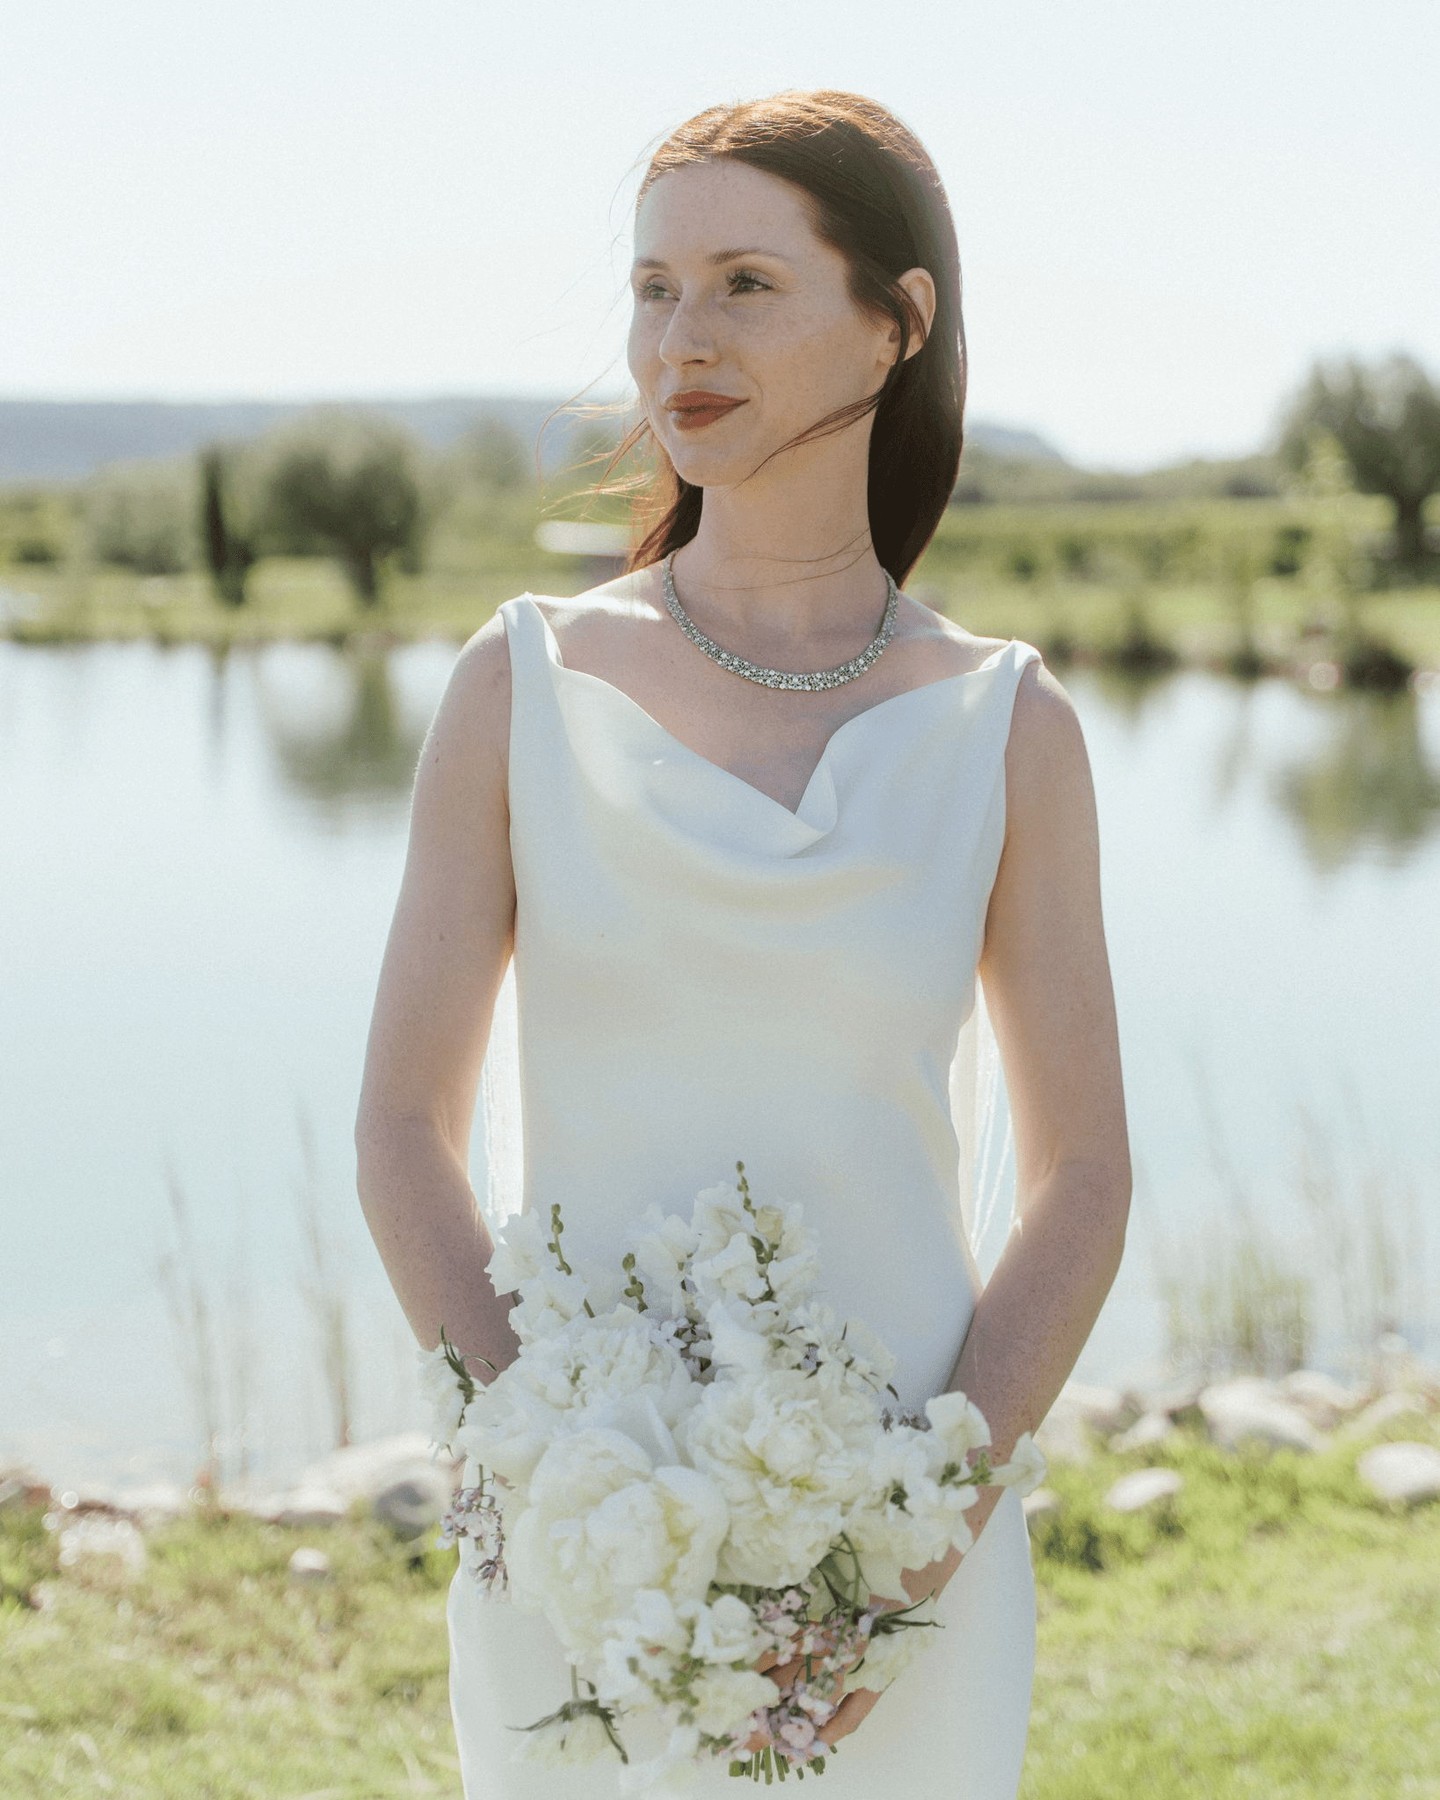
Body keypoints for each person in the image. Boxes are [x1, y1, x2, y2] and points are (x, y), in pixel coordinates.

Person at [354, 88, 1131, 1800]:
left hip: (904, 1550)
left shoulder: (1008, 728)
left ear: (896, 320)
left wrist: (916, 1542)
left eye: (744, 286)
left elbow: (1084, 1180)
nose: (678, 342)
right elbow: (403, 1129)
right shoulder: (521, 686)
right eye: (652, 289)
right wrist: (551, 1473)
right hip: (579, 1560)